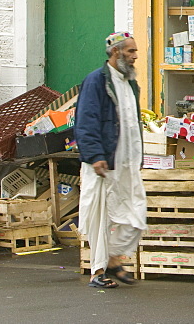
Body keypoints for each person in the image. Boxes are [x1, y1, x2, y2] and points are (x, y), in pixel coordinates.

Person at [74, 32, 147, 288]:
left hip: (127, 162)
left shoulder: (130, 84)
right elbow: (86, 122)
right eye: (130, 52)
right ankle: (98, 271)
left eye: (135, 51)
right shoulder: (96, 81)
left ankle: (114, 259)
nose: (135, 56)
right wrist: (95, 156)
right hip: (103, 163)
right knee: (100, 219)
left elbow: (132, 123)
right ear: (115, 52)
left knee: (136, 214)